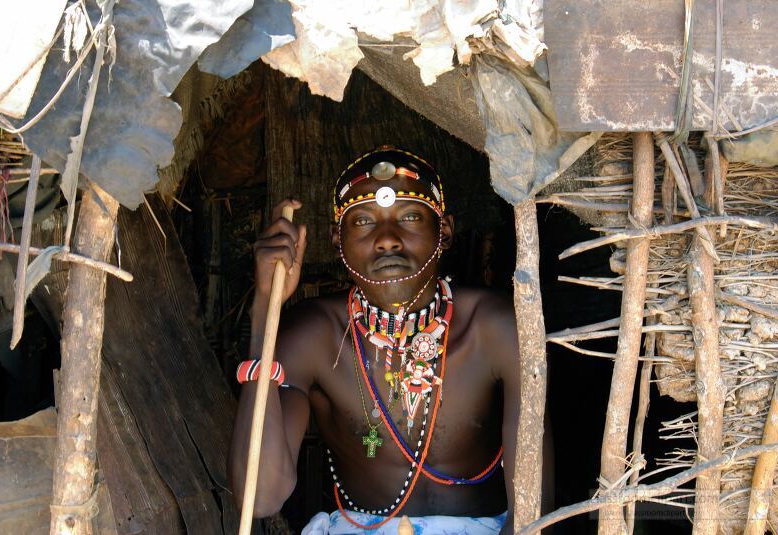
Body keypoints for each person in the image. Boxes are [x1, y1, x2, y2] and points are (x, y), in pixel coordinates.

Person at [229, 147, 550, 534]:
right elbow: (261, 497)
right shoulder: (314, 334)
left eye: (410, 217)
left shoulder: (495, 326)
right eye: (363, 221)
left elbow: (534, 513)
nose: (386, 240)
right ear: (337, 241)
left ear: (444, 231)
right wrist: (266, 310)